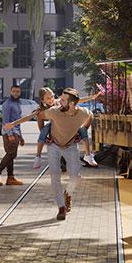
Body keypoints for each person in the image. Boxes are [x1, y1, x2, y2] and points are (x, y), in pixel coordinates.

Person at [37, 89, 87, 222]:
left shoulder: (82, 112)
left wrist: (81, 131)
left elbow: (90, 116)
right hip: (54, 145)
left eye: (63, 100)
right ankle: (61, 207)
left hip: (71, 146)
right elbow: (40, 116)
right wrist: (43, 134)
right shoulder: (54, 111)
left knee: (76, 177)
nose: (59, 101)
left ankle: (68, 193)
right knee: (55, 175)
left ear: (71, 104)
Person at [0, 83, 29, 186]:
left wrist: (21, 136)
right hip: (9, 133)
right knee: (11, 154)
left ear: (20, 93)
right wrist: (10, 134)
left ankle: (10, 178)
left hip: (15, 132)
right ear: (10, 92)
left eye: (18, 91)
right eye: (14, 91)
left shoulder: (17, 103)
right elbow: (5, 121)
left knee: (11, 154)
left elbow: (18, 121)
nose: (16, 93)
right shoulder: (7, 104)